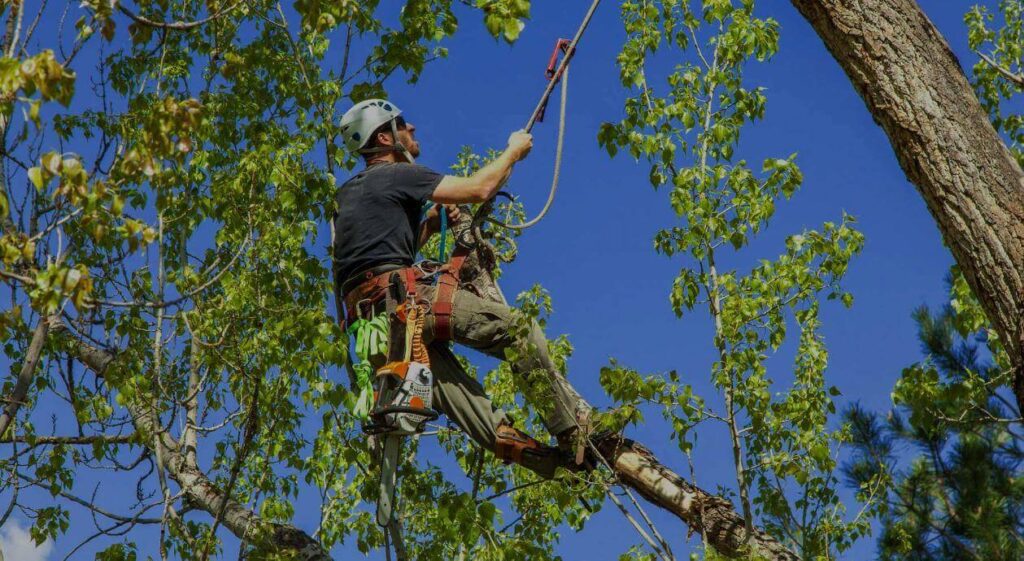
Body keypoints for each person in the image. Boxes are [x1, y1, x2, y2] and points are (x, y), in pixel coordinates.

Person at [332, 99, 586, 478]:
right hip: (408, 303)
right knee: (519, 331)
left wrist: (431, 225)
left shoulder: (347, 195)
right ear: (385, 137)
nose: (413, 128)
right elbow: (480, 188)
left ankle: (552, 467)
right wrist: (513, 152)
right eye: (402, 124)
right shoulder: (398, 175)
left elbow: (375, 254)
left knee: (464, 401)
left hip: (376, 331)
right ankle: (571, 431)